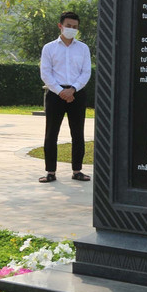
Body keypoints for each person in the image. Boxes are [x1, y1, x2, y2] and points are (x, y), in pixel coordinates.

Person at [39, 11, 92, 183]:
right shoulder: (49, 48)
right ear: (60, 26)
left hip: (77, 94)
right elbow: (45, 73)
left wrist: (73, 89)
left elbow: (86, 72)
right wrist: (60, 91)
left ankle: (77, 170)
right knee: (51, 133)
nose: (71, 29)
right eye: (68, 26)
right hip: (55, 94)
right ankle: (50, 172)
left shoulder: (83, 48)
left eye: (75, 27)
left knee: (78, 134)